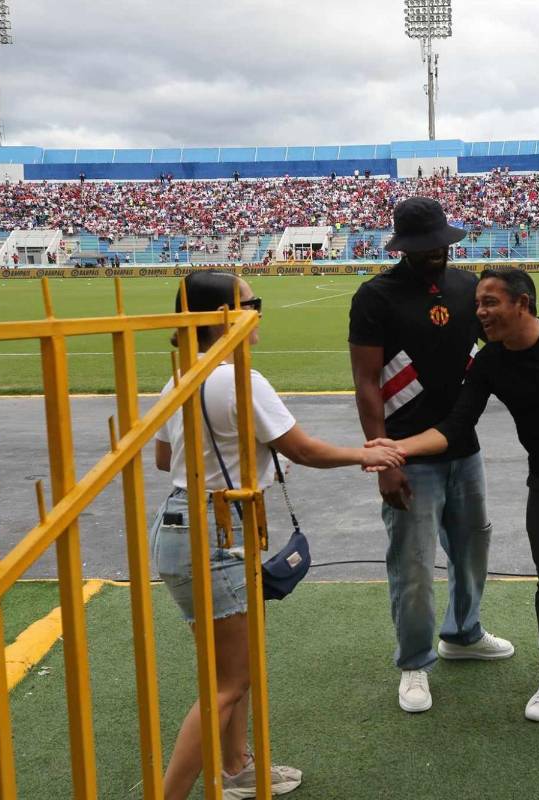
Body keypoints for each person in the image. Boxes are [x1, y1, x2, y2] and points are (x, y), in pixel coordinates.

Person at [151, 270, 404, 799]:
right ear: (220, 316)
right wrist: (368, 453)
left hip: (181, 523)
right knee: (226, 684)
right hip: (218, 528)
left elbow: (163, 458)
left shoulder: (183, 376)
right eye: (250, 302)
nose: (257, 312)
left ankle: (239, 767)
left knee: (228, 672)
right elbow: (302, 450)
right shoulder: (238, 379)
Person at [367, 267, 539, 722]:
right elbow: (456, 427)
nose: (480, 312)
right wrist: (396, 448)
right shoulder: (491, 363)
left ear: (523, 302)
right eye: (478, 303)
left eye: (490, 302)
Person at [348, 197, 514, 715]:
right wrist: (383, 461)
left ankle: (462, 634)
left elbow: (502, 349)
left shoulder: (469, 288)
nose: (435, 254)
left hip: (464, 448)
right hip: (406, 453)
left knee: (472, 549)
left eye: (440, 244)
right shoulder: (375, 296)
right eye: (424, 248)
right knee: (414, 565)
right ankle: (415, 662)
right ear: (403, 248)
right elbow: (367, 383)